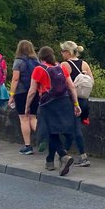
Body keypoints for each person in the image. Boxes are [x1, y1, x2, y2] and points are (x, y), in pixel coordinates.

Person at [25, 46, 81, 175]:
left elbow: (32, 91)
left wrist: (27, 107)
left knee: (49, 131)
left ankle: (63, 156)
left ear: (41, 57)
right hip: (64, 102)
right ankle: (49, 161)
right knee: (56, 132)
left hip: (48, 104)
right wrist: (76, 104)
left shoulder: (39, 69)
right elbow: (71, 86)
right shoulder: (61, 67)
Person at [60, 40, 94, 168]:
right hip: (84, 100)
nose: (61, 54)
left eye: (63, 51)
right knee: (74, 126)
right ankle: (63, 152)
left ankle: (83, 156)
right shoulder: (84, 64)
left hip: (71, 100)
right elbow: (92, 82)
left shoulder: (65, 65)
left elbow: (62, 83)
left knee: (75, 128)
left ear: (68, 52)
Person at [9, 39, 40, 154]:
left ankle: (28, 146)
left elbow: (15, 79)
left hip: (21, 92)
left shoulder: (18, 62)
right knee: (33, 117)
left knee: (24, 118)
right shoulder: (36, 60)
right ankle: (44, 138)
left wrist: (11, 95)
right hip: (35, 91)